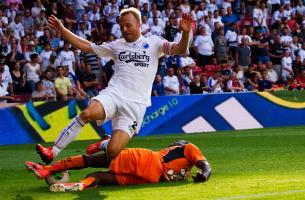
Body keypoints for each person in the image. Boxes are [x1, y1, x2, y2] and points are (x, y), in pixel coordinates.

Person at [36, 8, 192, 164]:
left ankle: (103, 143)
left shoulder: (155, 43)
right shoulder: (116, 45)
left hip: (136, 104)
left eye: (128, 25)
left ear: (139, 24)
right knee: (87, 114)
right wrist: (62, 29)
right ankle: (53, 151)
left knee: (112, 151)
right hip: (114, 94)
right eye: (122, 26)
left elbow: (180, 49)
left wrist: (185, 33)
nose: (124, 30)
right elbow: (86, 46)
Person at [26, 140, 211, 192]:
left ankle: (47, 170)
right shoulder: (185, 171)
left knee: (92, 161)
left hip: (146, 159)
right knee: (100, 177)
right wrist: (202, 175)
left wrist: (205, 172)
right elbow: (204, 168)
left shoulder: (188, 147)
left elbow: (206, 166)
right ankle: (80, 185)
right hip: (152, 180)